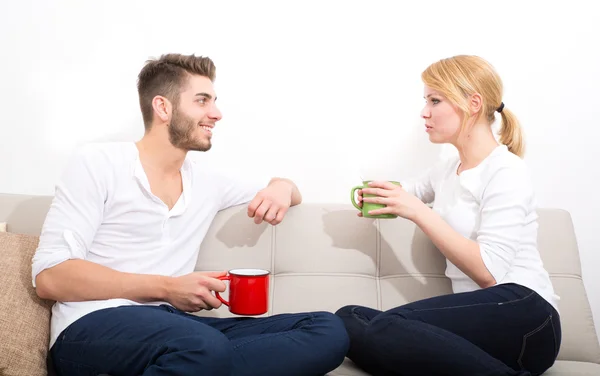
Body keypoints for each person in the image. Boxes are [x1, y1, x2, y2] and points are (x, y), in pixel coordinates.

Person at [33, 53, 349, 376]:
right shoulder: (98, 163)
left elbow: (286, 189)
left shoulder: (208, 182)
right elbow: (50, 277)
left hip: (177, 330)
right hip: (93, 326)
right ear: (163, 108)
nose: (216, 113)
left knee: (328, 330)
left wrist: (281, 188)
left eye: (214, 101)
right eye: (202, 101)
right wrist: (168, 288)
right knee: (203, 348)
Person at [336, 55, 561, 376]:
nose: (424, 112)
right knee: (350, 319)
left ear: (473, 103)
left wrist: (416, 212)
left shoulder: (506, 170)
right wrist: (373, 196)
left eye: (435, 100)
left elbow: (489, 273)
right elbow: (409, 192)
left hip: (526, 315)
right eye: (425, 100)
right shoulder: (446, 170)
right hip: (479, 331)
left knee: (387, 327)